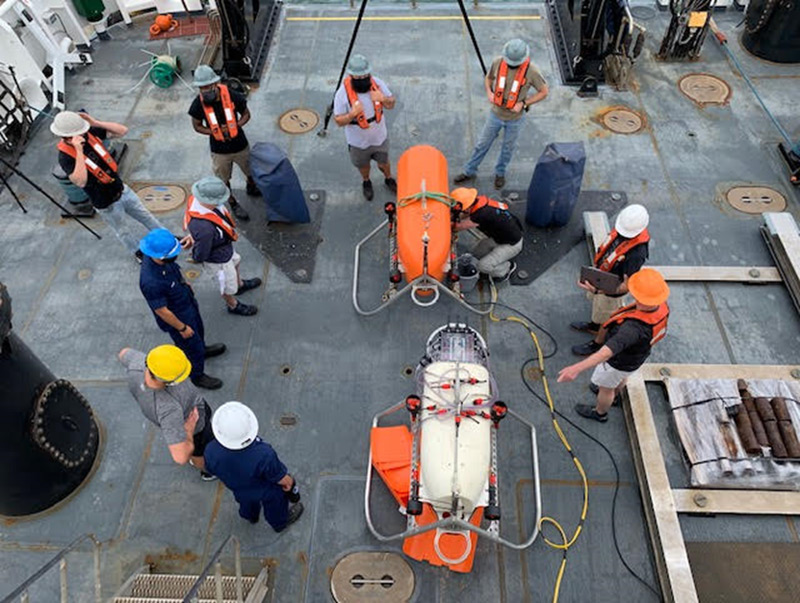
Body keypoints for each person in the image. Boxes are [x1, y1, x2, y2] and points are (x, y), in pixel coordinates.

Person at [557, 268, 670, 423]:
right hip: (636, 359)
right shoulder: (661, 307)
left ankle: (600, 412)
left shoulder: (632, 330)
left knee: (606, 388)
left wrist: (575, 368)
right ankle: (615, 395)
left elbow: (605, 353)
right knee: (621, 378)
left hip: (618, 362)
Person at [53, 110, 165, 260]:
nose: (83, 135)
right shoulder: (65, 157)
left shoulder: (89, 134)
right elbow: (80, 181)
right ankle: (138, 253)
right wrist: (78, 151)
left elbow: (122, 131)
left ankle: (166, 237)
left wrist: (95, 122)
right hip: (105, 203)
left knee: (146, 216)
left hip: (121, 189)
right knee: (122, 230)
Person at [452, 39, 548, 190]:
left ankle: (500, 173)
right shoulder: (498, 63)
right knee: (481, 145)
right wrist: (489, 92)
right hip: (495, 115)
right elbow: (489, 78)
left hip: (515, 119)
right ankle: (469, 171)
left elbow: (543, 92)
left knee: (507, 148)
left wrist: (523, 104)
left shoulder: (532, 72)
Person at [138, 228, 226, 390]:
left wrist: (184, 282)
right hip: (178, 317)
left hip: (187, 303)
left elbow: (175, 270)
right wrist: (182, 328)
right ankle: (197, 375)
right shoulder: (150, 281)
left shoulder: (160, 258)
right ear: (161, 257)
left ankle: (202, 348)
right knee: (190, 347)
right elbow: (162, 310)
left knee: (198, 331)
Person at [118, 345, 216, 480]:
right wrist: (188, 430)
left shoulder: (137, 364)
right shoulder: (169, 408)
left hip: (177, 418)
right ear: (170, 381)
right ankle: (208, 472)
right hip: (196, 426)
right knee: (199, 452)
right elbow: (180, 457)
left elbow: (123, 353)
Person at [204, 402, 304, 532]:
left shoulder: (210, 450)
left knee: (246, 502)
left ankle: (250, 516)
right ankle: (279, 523)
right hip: (265, 490)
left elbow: (210, 469)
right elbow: (279, 477)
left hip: (238, 489)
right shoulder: (264, 454)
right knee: (276, 503)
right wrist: (289, 482)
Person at [571, 204, 650, 356]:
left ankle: (597, 343)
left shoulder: (636, 254)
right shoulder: (623, 232)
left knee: (607, 319)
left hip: (611, 292)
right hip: (602, 279)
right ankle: (594, 325)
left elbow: (627, 286)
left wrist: (599, 290)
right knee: (598, 310)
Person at [184, 176, 262, 316]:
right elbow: (202, 252)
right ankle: (232, 305)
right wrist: (197, 254)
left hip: (225, 248)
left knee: (236, 261)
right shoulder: (204, 228)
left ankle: (239, 285)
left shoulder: (200, 204)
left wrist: (192, 237)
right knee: (225, 284)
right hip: (217, 259)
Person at [189, 65, 257, 221]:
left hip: (240, 144)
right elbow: (197, 125)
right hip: (219, 150)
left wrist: (236, 125)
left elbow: (246, 114)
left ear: (215, 83)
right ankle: (232, 202)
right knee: (223, 179)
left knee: (250, 169)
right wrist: (214, 131)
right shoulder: (198, 105)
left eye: (208, 86)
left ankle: (251, 185)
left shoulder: (232, 96)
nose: (205, 91)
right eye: (202, 88)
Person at [333, 54, 397, 201]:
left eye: (365, 76)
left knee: (384, 162)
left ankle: (388, 178)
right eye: (358, 77)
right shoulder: (342, 94)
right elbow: (338, 121)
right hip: (358, 142)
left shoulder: (378, 84)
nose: (362, 80)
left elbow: (391, 103)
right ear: (351, 76)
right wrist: (352, 115)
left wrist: (383, 99)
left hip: (379, 137)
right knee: (363, 165)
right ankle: (366, 181)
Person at [451, 187, 523, 281]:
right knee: (476, 254)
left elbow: (457, 227)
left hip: (512, 245)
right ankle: (497, 259)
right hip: (500, 237)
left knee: (483, 266)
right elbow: (466, 215)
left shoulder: (481, 215)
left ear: (467, 208)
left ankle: (506, 268)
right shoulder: (480, 202)